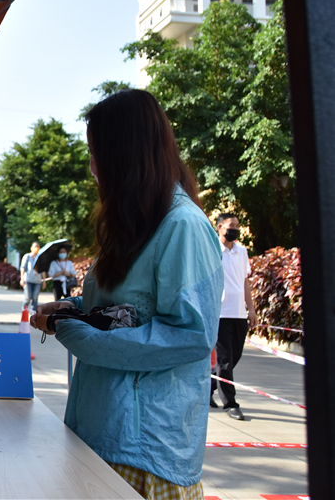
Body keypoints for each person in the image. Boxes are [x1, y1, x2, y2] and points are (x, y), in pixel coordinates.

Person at [32, 90, 223, 499]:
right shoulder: (132, 224)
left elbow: (191, 335)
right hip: (98, 433)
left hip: (144, 451)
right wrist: (74, 310)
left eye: (97, 153)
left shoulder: (182, 226)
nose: (92, 166)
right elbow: (128, 309)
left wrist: (86, 338)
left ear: (126, 155)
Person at [209, 213, 257, 420]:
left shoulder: (242, 251)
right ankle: (230, 403)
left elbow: (245, 281)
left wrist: (251, 309)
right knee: (225, 360)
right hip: (220, 314)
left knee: (233, 357)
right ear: (220, 227)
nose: (235, 229)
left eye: (237, 225)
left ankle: (208, 386)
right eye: (231, 225)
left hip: (239, 314)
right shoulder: (212, 251)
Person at [19, 241, 45, 309]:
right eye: (35, 246)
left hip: (38, 281)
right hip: (28, 280)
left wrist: (44, 281)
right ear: (31, 248)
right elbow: (23, 268)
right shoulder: (27, 256)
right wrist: (22, 279)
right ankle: (24, 309)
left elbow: (43, 270)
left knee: (35, 298)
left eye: (38, 246)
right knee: (28, 297)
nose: (36, 248)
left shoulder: (40, 258)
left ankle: (33, 311)